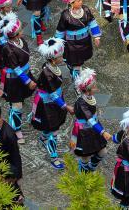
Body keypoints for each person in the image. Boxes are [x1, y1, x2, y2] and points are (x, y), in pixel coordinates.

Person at [32, 38, 75, 169]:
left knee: (50, 125)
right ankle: (53, 157)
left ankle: (43, 138)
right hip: (48, 104)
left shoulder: (51, 67)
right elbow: (52, 94)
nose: (62, 58)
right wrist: (66, 106)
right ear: (53, 59)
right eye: (60, 56)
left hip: (54, 101)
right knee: (54, 129)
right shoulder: (47, 73)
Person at [0, 12, 36, 144]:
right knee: (17, 105)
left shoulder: (21, 41)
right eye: (20, 30)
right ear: (15, 34)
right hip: (14, 80)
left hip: (24, 74)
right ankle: (16, 129)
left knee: (19, 101)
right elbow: (16, 68)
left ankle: (13, 111)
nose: (22, 31)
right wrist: (28, 81)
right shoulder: (8, 49)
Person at [55, 0, 102, 83]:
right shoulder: (65, 16)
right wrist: (58, 44)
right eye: (78, 0)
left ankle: (74, 69)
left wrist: (96, 37)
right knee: (76, 63)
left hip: (85, 41)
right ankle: (77, 81)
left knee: (80, 60)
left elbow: (92, 23)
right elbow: (60, 31)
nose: (81, 2)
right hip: (72, 44)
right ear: (71, 3)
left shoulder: (86, 10)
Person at [71, 68, 113, 171]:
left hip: (93, 129)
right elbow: (90, 120)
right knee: (85, 155)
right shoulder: (81, 103)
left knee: (102, 152)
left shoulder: (89, 97)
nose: (96, 88)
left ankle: (91, 168)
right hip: (84, 132)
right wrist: (102, 132)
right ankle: (83, 172)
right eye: (94, 87)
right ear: (87, 89)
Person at [0, 104, 25, 205]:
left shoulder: (9, 134)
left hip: (3, 170)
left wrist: (17, 177)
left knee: (7, 198)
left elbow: (15, 157)